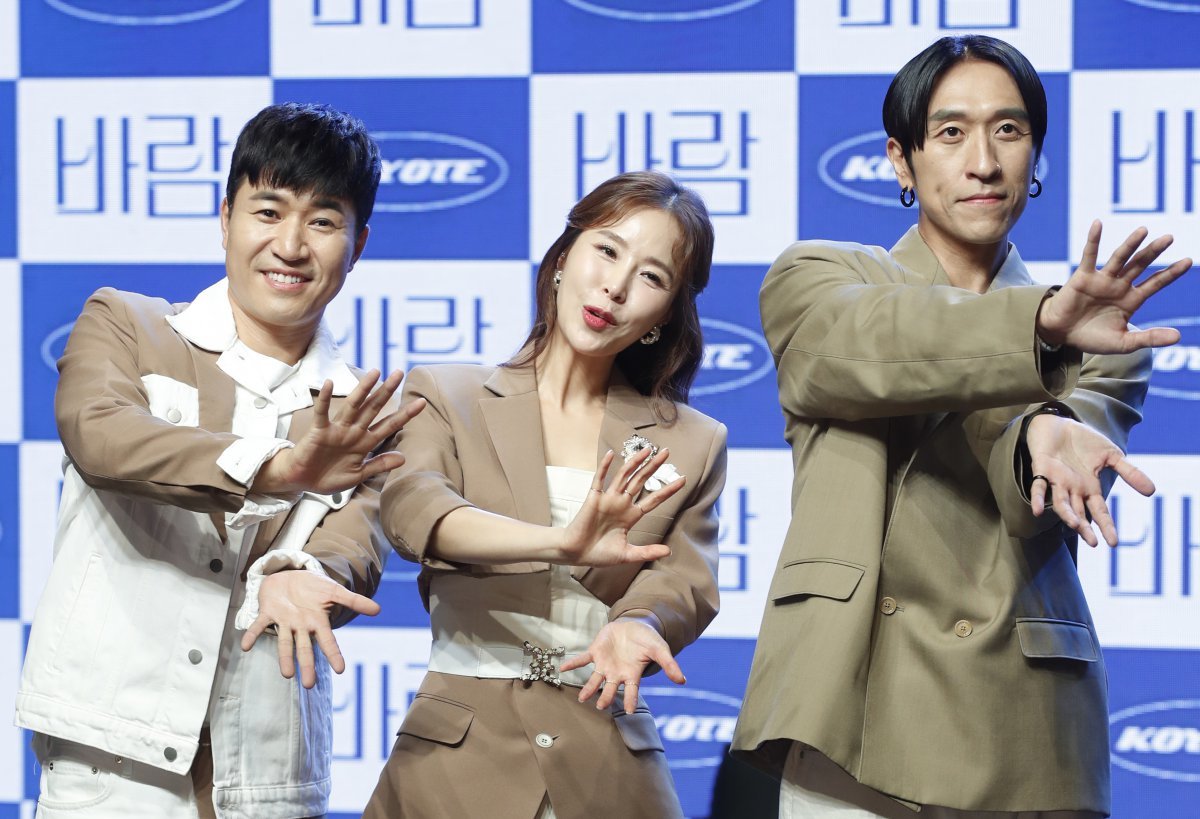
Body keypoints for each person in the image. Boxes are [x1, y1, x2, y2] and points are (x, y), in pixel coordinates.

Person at [732, 35, 1191, 819]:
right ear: (901, 161)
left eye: (1009, 130)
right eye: (951, 132)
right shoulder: (821, 277)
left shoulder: (1099, 335)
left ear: (1035, 155)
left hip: (1021, 721)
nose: (983, 162)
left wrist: (1044, 439)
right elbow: (861, 350)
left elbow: (1031, 501)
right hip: (852, 711)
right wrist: (1036, 332)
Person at [16, 102, 424, 819]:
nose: (290, 245)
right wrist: (279, 470)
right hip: (113, 757)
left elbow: (352, 547)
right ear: (226, 215)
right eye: (268, 212)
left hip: (267, 768)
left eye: (322, 221)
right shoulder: (127, 324)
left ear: (358, 244)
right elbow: (101, 436)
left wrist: (306, 575)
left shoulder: (362, 409)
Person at [362, 170, 728, 819]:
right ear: (563, 258)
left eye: (651, 277)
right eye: (607, 250)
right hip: (455, 763)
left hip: (608, 768)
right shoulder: (447, 394)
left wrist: (638, 624)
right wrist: (562, 542)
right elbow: (417, 511)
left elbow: (682, 582)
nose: (615, 286)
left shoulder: (693, 441)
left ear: (665, 315)